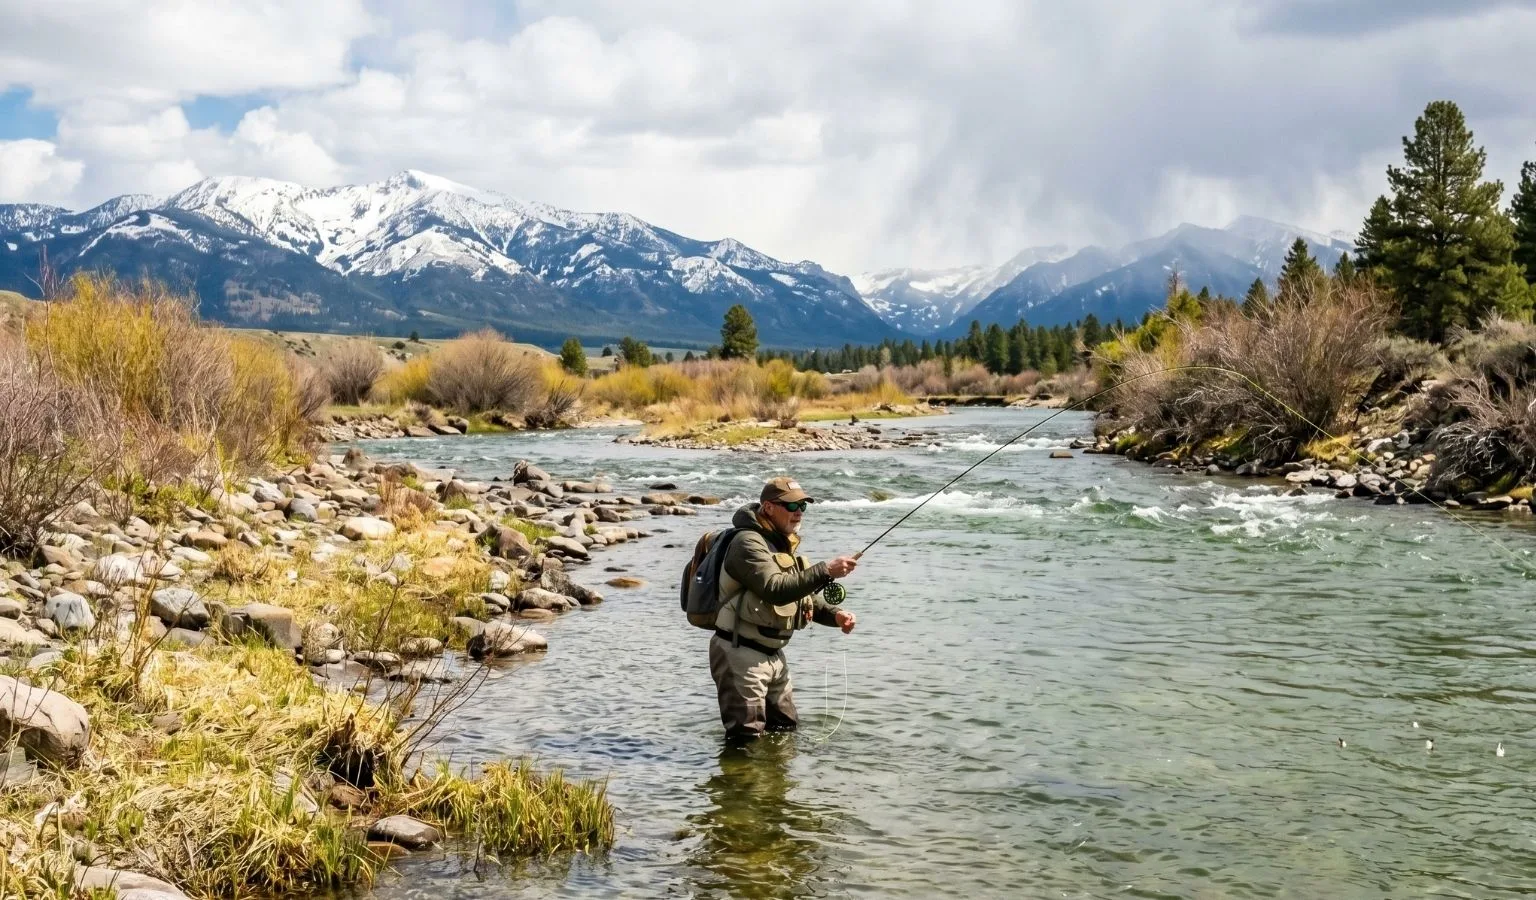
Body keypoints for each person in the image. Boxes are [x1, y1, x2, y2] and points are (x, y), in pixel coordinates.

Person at [709, 476, 858, 742]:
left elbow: (798, 595)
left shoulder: (781, 543)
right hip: (740, 653)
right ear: (768, 508)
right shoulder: (747, 543)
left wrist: (835, 615)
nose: (798, 512)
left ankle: (777, 772)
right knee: (745, 739)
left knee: (785, 731)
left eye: (802, 506)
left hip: (774, 655)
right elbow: (775, 589)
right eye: (791, 506)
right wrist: (826, 570)